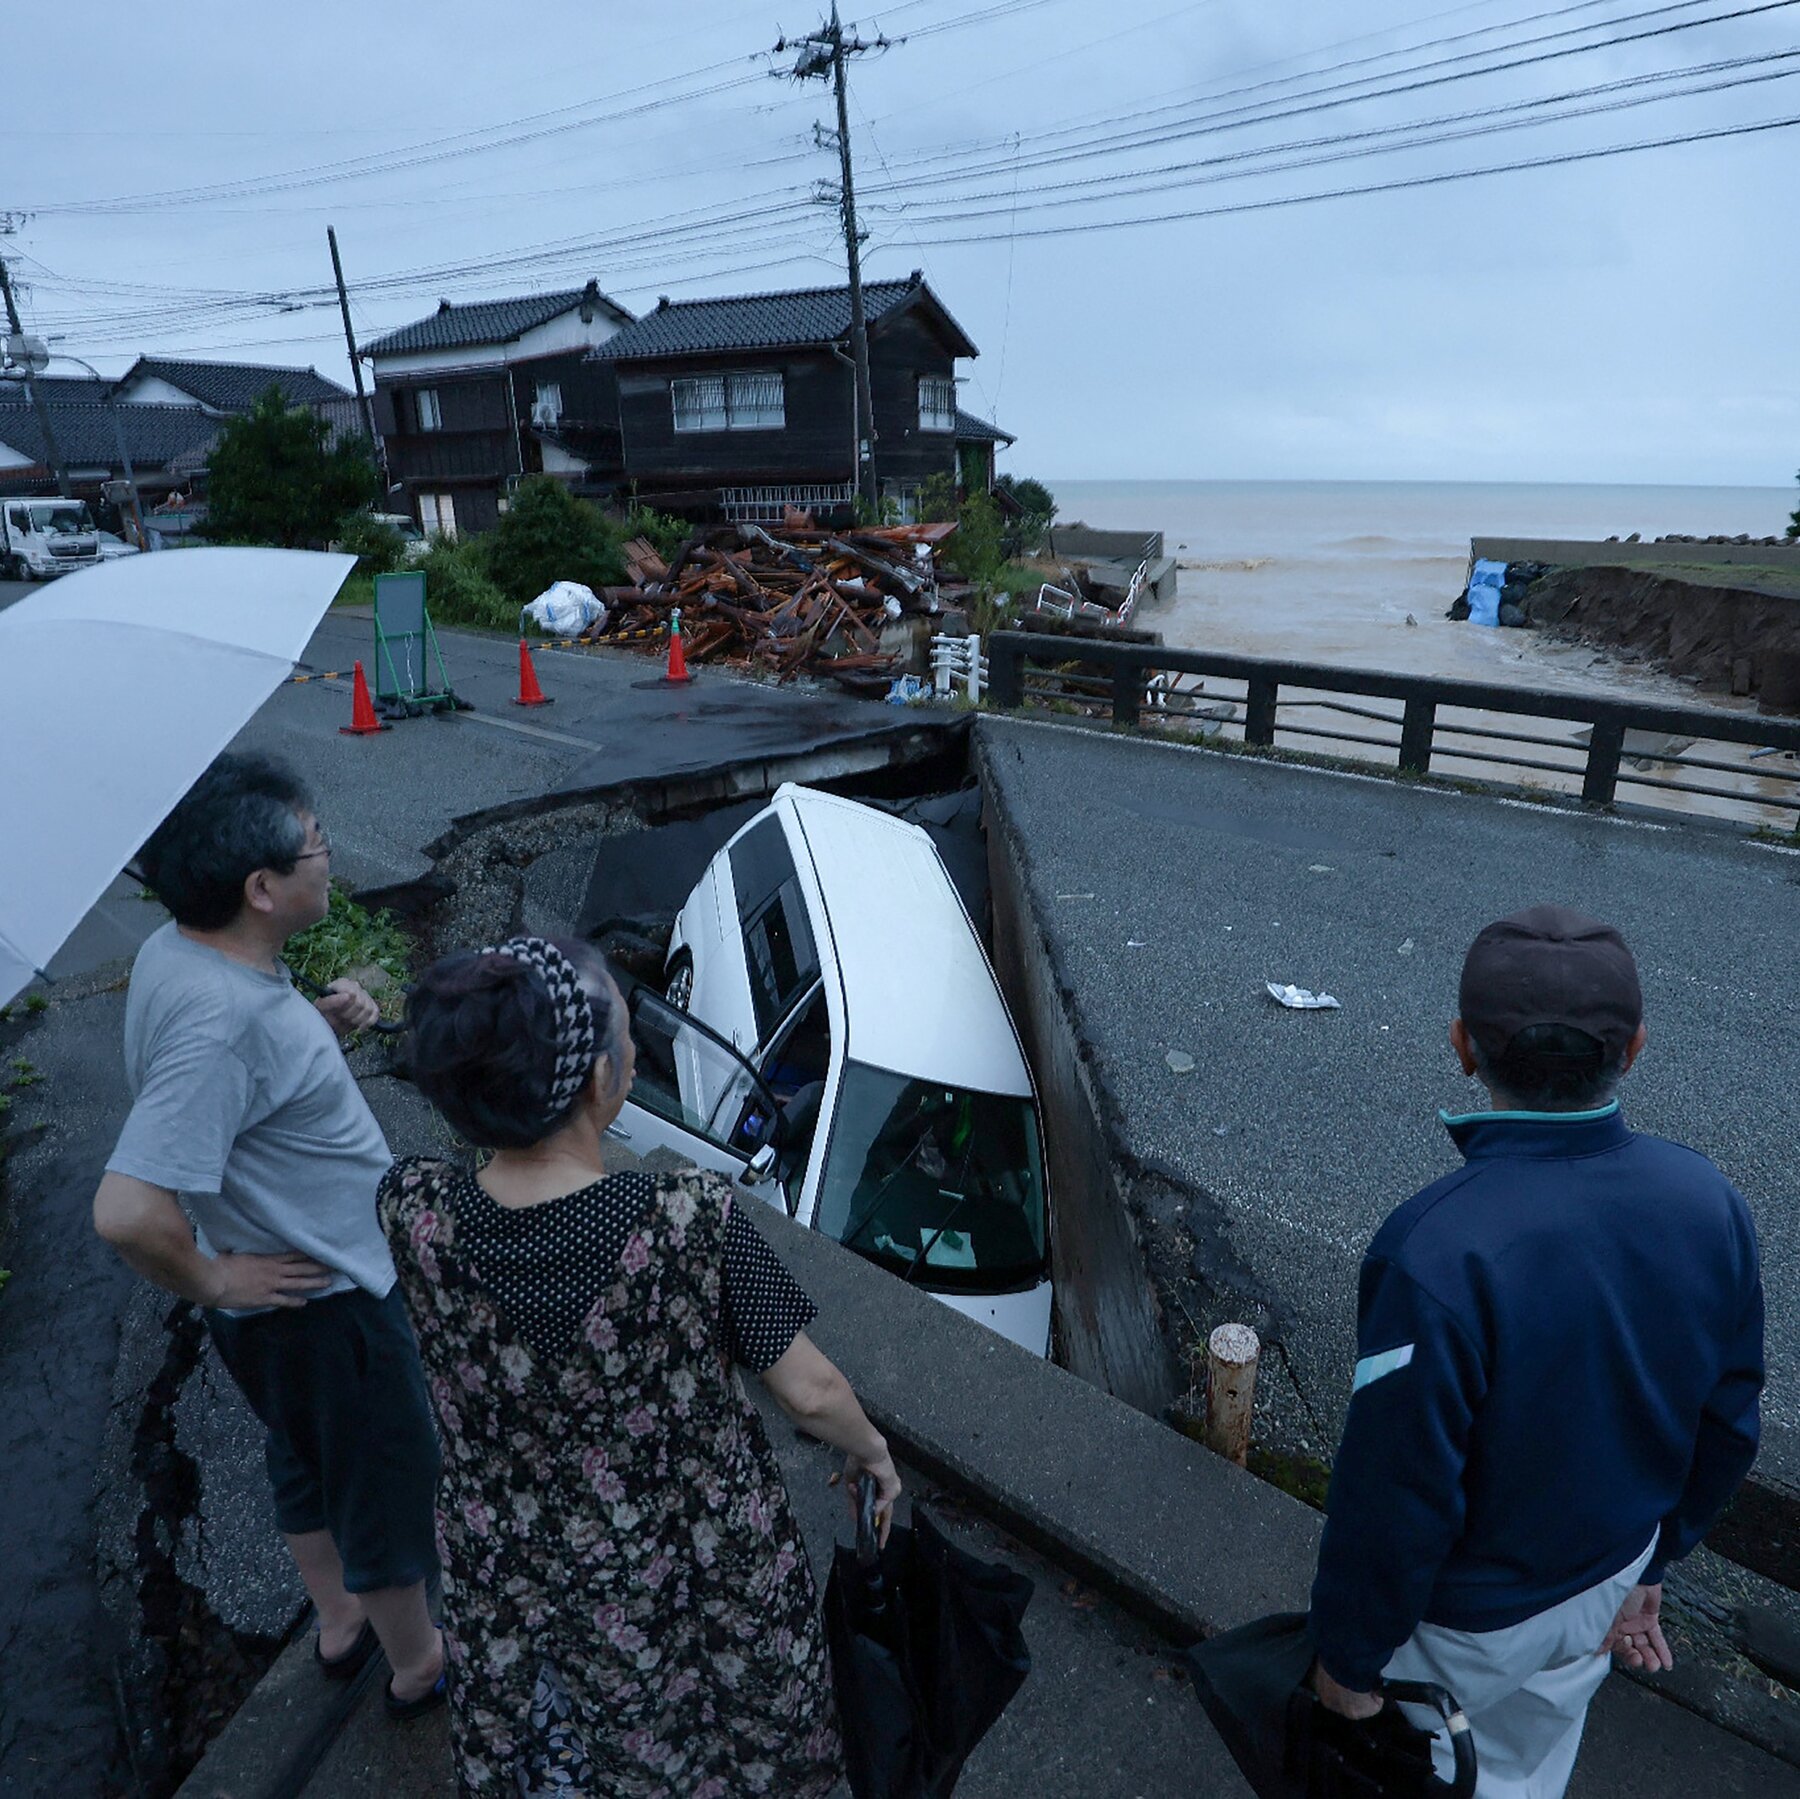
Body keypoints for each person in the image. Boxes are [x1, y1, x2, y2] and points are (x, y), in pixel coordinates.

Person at [380, 934, 901, 1797]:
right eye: (625, 1039)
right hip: (697, 1565)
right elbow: (810, 1390)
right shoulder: (688, 1220)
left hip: (515, 1566)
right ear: (597, 1084)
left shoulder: (412, 1210)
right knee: (738, 1744)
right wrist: (873, 1452)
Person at [1307, 904, 1764, 1799]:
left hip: (1470, 1617)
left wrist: (1349, 1662)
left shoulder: (1434, 1248)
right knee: (1533, 1759)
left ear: (1463, 1046)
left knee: (1433, 1767)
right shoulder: (1710, 1202)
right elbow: (1728, 1419)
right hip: (1612, 1569)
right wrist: (1654, 1562)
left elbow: (1394, 1492)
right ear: (1633, 1049)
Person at [92, 752, 445, 1716]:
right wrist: (213, 1281)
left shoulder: (185, 951)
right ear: (263, 887)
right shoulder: (229, 1018)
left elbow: (233, 1083)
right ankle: (417, 1664)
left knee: (302, 1457)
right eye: (317, 844)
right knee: (381, 1479)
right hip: (323, 1299)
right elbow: (124, 1208)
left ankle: (338, 1622)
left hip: (280, 1303)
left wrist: (315, 1027)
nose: (328, 857)